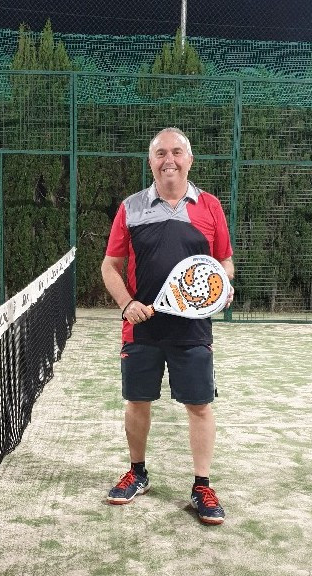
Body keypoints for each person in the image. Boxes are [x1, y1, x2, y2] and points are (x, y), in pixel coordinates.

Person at [100, 127, 234, 525]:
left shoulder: (210, 206)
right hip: (141, 329)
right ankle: (137, 473)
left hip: (193, 330)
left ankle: (202, 486)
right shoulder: (131, 207)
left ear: (189, 160)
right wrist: (127, 304)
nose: (169, 160)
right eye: (161, 153)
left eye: (177, 152)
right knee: (137, 401)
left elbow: (224, 262)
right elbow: (110, 266)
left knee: (199, 406)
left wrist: (223, 285)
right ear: (151, 161)